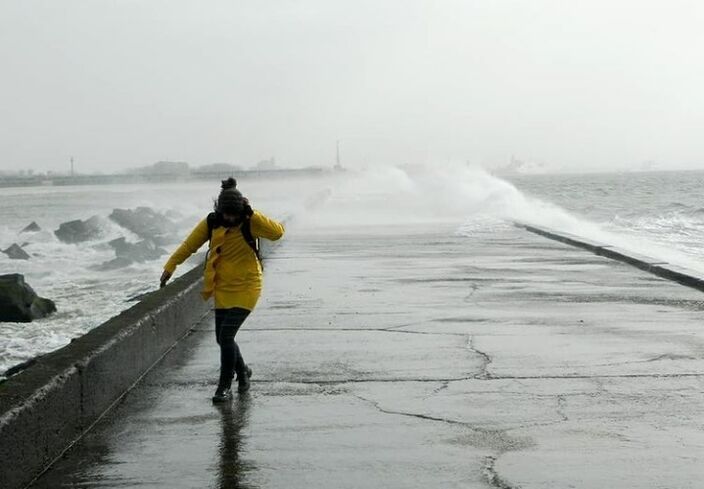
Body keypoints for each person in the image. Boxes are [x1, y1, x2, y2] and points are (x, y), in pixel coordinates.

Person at [160, 178, 285, 402]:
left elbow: (278, 233)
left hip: (248, 286)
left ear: (241, 211)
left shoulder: (250, 221)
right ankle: (244, 372)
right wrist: (170, 267)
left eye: (233, 216)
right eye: (225, 215)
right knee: (222, 338)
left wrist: (253, 213)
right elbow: (189, 246)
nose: (229, 219)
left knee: (226, 335)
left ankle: (224, 387)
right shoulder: (211, 222)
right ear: (219, 210)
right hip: (223, 287)